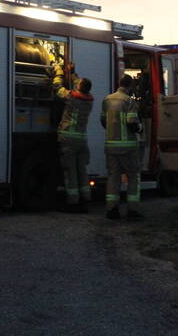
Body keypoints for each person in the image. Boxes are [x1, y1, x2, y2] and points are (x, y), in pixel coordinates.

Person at [50, 62, 94, 213]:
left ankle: (72, 202)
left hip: (68, 140)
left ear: (80, 87)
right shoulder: (89, 100)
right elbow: (78, 85)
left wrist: (58, 72)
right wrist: (74, 73)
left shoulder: (71, 97)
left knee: (71, 172)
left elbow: (57, 88)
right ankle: (85, 199)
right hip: (82, 141)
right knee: (82, 170)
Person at [101, 75, 144, 220]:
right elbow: (131, 123)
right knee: (133, 177)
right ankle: (132, 211)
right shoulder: (129, 101)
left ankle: (112, 210)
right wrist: (139, 128)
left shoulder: (107, 100)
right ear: (130, 86)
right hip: (128, 148)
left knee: (113, 177)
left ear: (119, 84)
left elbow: (103, 121)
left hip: (111, 147)